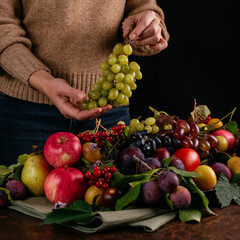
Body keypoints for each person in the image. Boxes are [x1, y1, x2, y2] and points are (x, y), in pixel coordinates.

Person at [0, 0, 169, 166]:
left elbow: (143, 7)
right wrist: (44, 81)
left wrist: (148, 28)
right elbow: (3, 27)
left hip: (109, 112)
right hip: (25, 113)